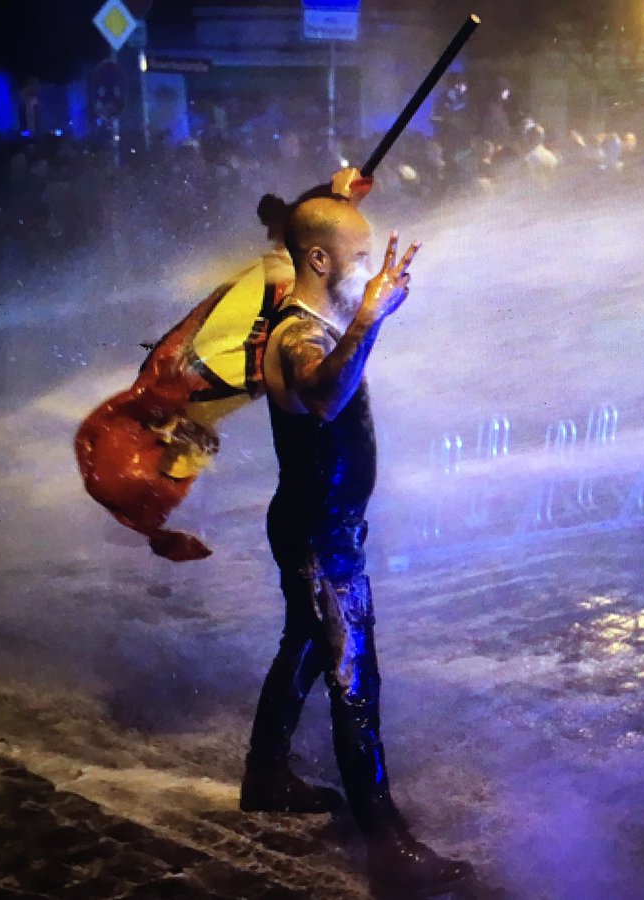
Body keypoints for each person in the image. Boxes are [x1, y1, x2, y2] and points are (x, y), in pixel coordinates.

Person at [239, 193, 472, 898]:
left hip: (321, 529)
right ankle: (388, 847)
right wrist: (369, 314)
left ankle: (265, 773)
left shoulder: (316, 313)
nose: (369, 268)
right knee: (355, 682)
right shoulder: (295, 336)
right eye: (358, 255)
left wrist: (367, 302)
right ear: (318, 259)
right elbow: (322, 395)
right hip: (320, 542)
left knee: (307, 649)